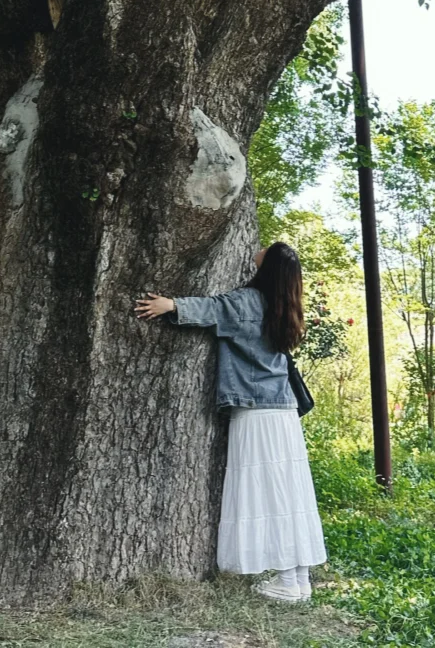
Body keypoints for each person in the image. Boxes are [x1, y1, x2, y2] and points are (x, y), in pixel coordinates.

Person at [134, 242, 327, 602]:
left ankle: (289, 582)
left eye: (265, 251)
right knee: (288, 491)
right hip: (282, 411)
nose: (258, 250)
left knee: (271, 491)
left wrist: (170, 305)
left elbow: (213, 309)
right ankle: (298, 579)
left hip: (256, 410)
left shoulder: (250, 300)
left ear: (267, 266)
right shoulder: (284, 305)